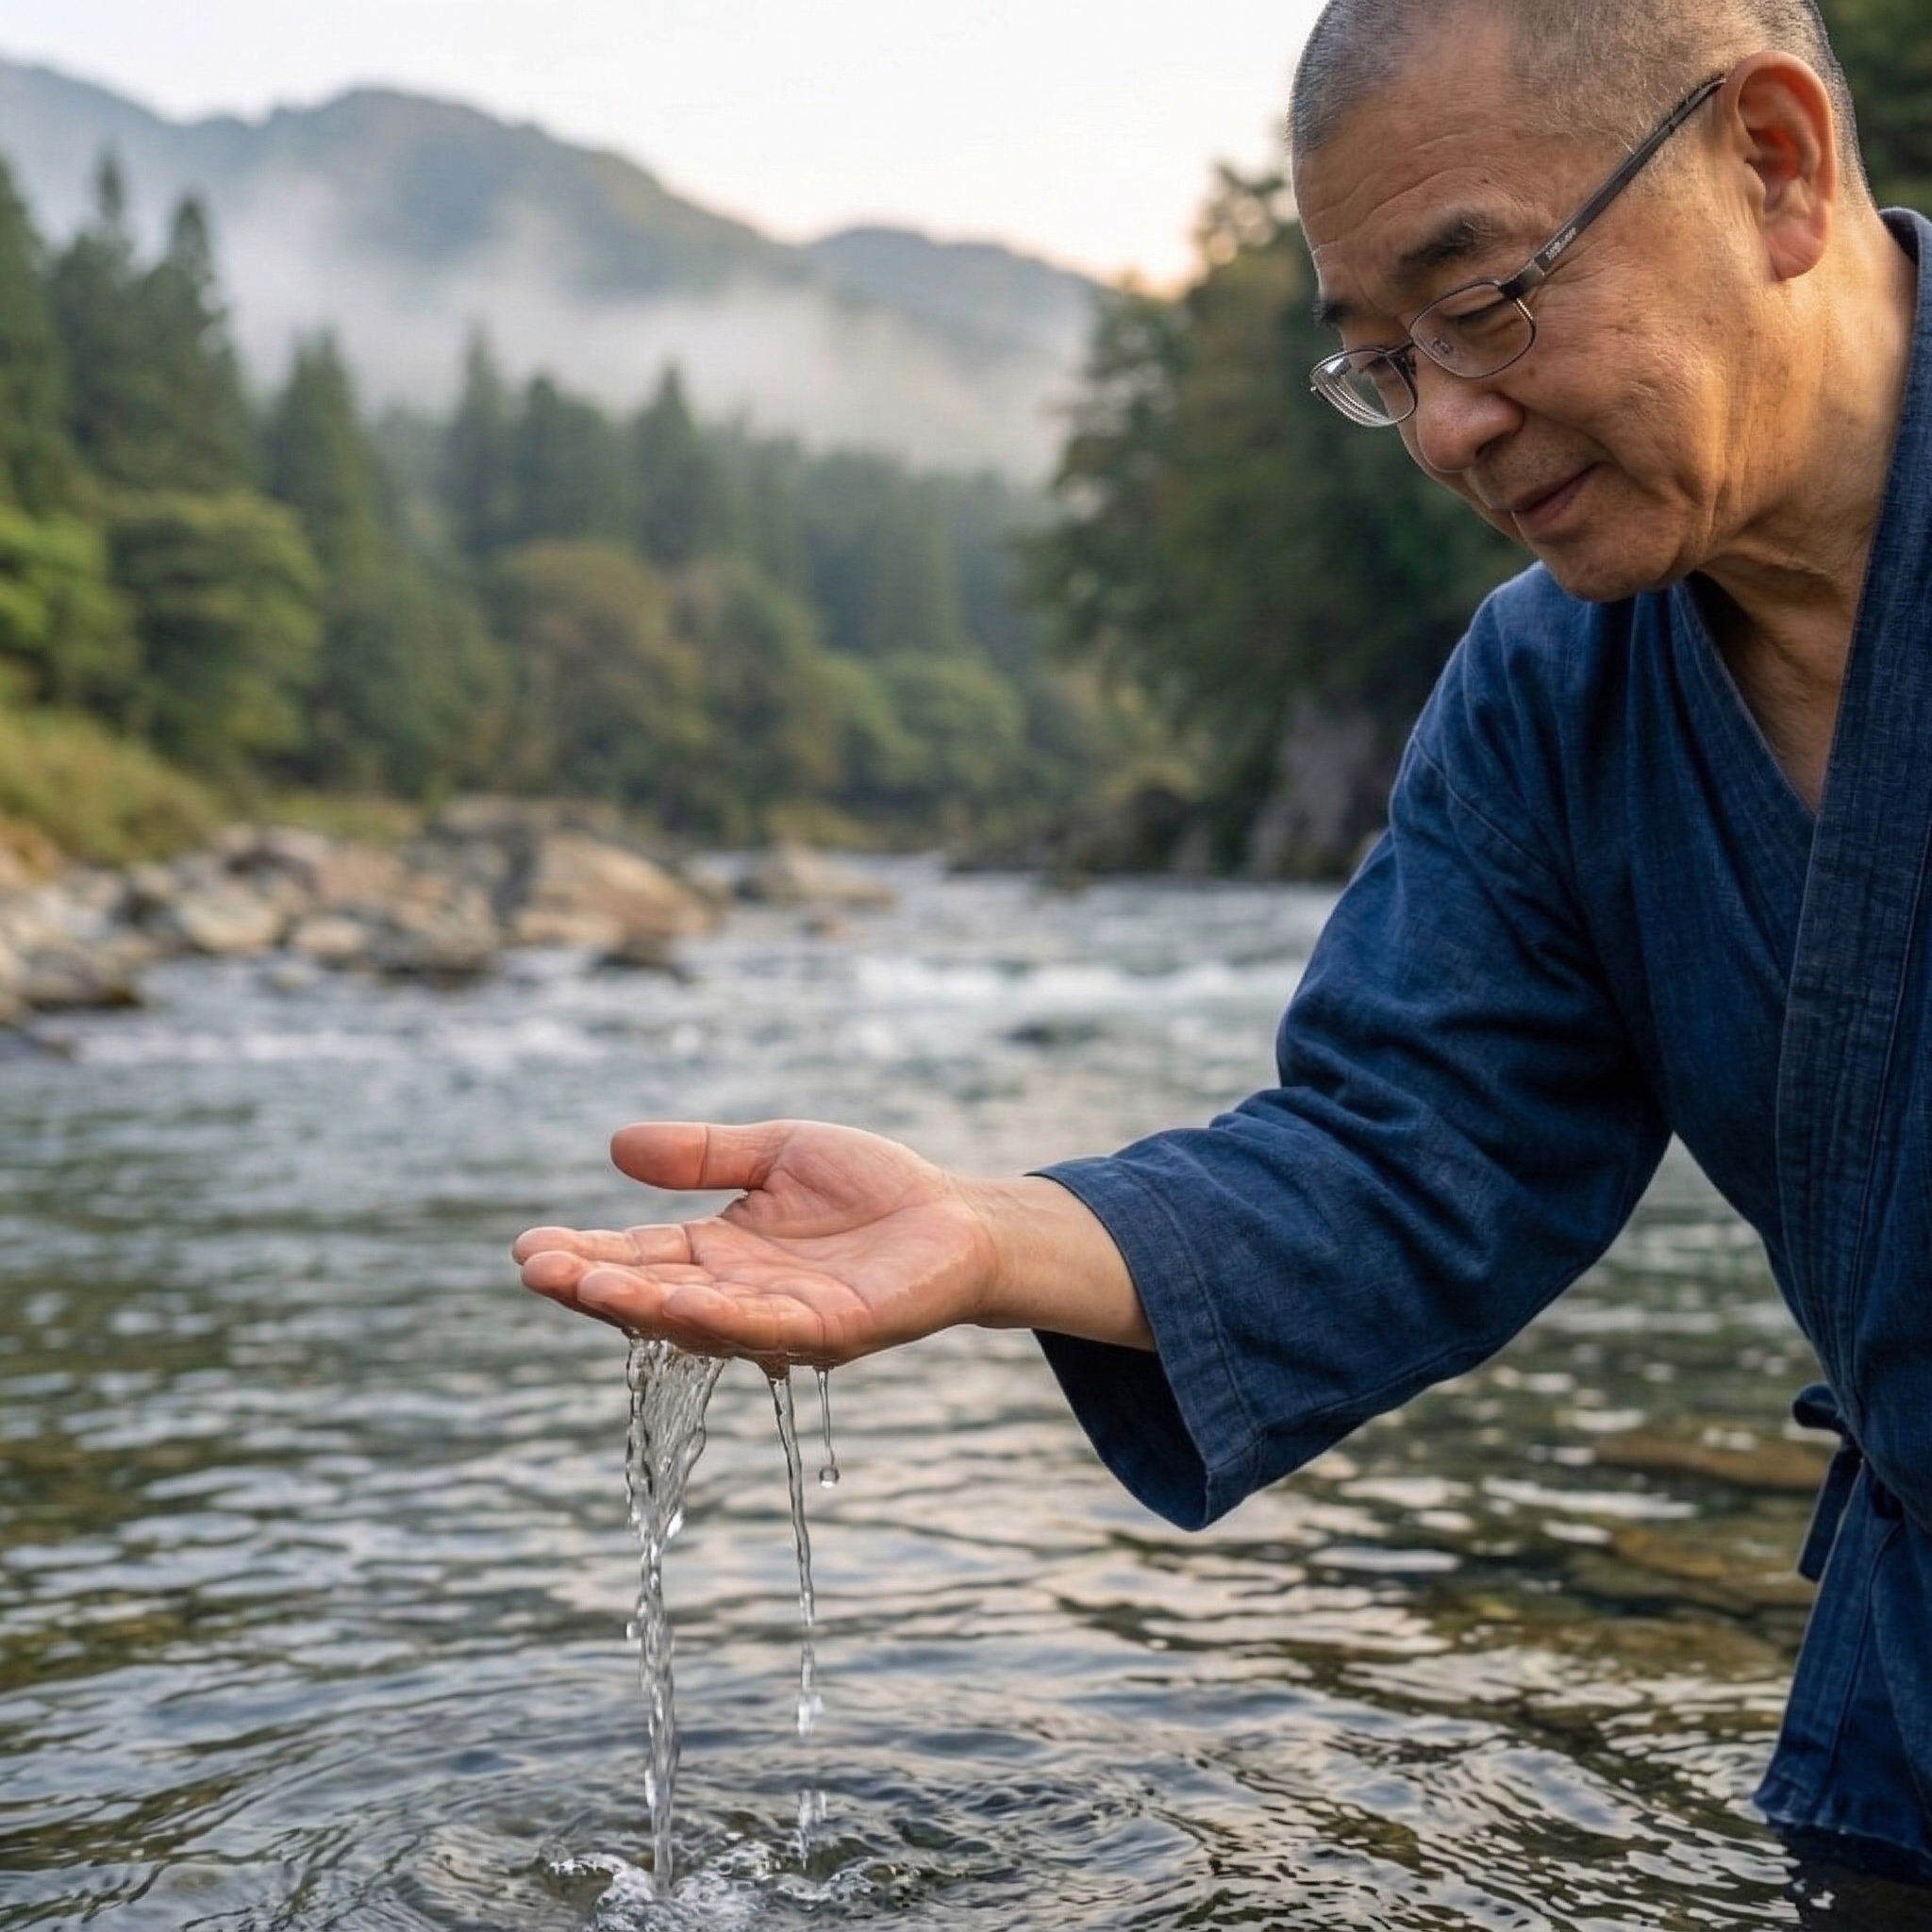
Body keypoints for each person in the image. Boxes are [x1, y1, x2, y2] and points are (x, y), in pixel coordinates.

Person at [516, 0, 1932, 1882]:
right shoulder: (1546, 689)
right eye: (1377, 365)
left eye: (1487, 302)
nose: (1445, 426)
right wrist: (989, 1231)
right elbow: (1409, 1146)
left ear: (1770, 162)